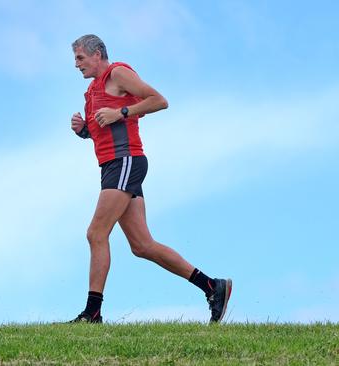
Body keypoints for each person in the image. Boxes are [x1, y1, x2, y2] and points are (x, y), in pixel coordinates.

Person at [69, 34, 231, 324]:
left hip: (126, 161)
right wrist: (84, 130)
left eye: (80, 58)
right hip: (112, 166)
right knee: (142, 245)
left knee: (96, 233)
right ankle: (212, 287)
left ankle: (92, 313)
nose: (76, 64)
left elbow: (159, 100)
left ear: (98, 54)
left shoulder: (117, 73)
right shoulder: (92, 91)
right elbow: (103, 130)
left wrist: (122, 111)